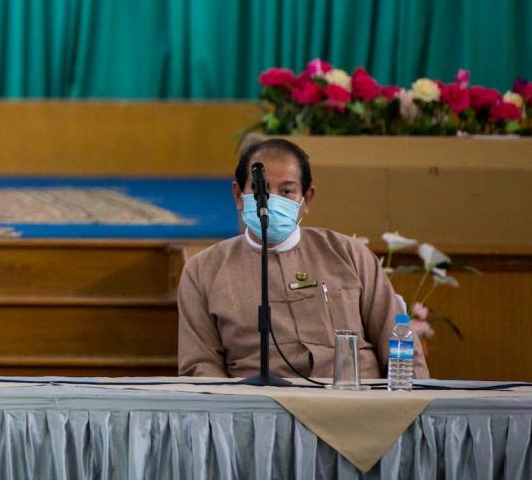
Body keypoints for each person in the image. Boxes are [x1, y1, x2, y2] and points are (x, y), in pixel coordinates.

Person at [177, 137, 429, 380]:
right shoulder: (203, 271)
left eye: (286, 191)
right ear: (238, 196)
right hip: (260, 413)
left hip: (357, 405)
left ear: (306, 199)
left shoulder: (349, 255)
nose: (270, 201)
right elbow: (200, 367)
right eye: (260, 189)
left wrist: (412, 405)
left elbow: (399, 343)